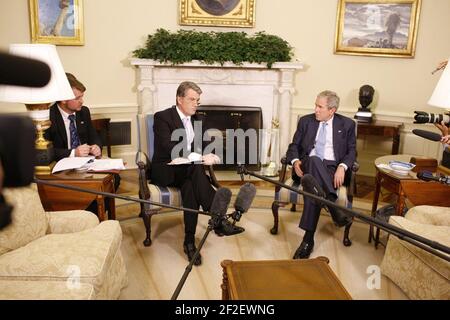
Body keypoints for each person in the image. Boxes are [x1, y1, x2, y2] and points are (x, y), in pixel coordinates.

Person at [151, 81, 237, 266]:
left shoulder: (197, 119)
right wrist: (198, 156)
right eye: (191, 99)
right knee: (195, 167)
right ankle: (218, 218)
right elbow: (169, 146)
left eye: (197, 100)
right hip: (165, 169)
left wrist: (210, 153)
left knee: (191, 185)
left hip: (187, 171)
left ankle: (189, 242)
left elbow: (203, 145)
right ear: (179, 99)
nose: (195, 104)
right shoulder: (162, 117)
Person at [286, 90, 356, 259]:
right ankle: (333, 207)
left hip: (332, 170)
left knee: (313, 186)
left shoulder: (346, 124)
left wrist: (342, 167)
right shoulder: (305, 121)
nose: (316, 110)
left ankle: (308, 241)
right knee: (315, 160)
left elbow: (352, 151)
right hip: (306, 166)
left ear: (332, 110)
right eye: (315, 105)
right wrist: (295, 161)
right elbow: (293, 146)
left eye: (320, 107)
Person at [45, 73, 120, 215]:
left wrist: (97, 146)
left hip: (84, 164)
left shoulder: (83, 112)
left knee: (114, 178)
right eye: (77, 98)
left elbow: (94, 137)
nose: (82, 101)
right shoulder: (48, 116)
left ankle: (94, 214)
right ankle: (87, 214)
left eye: (82, 96)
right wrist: (73, 152)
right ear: (63, 100)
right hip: (60, 167)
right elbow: (46, 153)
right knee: (83, 189)